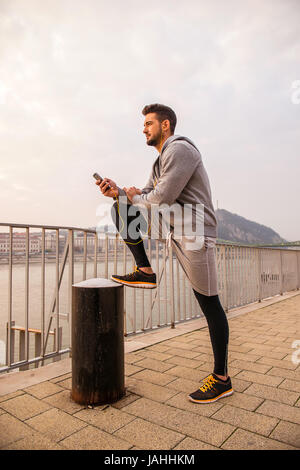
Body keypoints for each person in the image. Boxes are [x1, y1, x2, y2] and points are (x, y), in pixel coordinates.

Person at [96, 103, 233, 404]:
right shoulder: (160, 161)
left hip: (195, 232)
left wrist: (133, 194)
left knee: (209, 304)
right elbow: (143, 197)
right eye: (143, 124)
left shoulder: (180, 150)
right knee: (121, 207)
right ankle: (145, 270)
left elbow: (160, 197)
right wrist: (119, 192)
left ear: (166, 125)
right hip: (171, 227)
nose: (143, 129)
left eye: (148, 123)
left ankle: (222, 378)